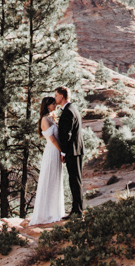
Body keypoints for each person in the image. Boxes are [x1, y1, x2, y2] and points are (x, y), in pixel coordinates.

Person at [29, 95, 65, 226]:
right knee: (50, 179)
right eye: (53, 104)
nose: (55, 106)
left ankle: (55, 211)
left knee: (56, 179)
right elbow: (53, 139)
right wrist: (62, 151)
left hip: (55, 151)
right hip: (52, 151)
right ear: (47, 105)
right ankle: (46, 214)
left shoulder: (51, 117)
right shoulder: (44, 119)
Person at [54, 85, 84, 218]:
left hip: (72, 151)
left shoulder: (68, 111)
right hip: (76, 150)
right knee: (75, 180)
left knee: (75, 181)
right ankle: (77, 210)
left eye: (56, 95)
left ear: (62, 96)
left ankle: (77, 212)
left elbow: (67, 134)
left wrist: (63, 152)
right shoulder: (72, 109)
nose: (55, 98)